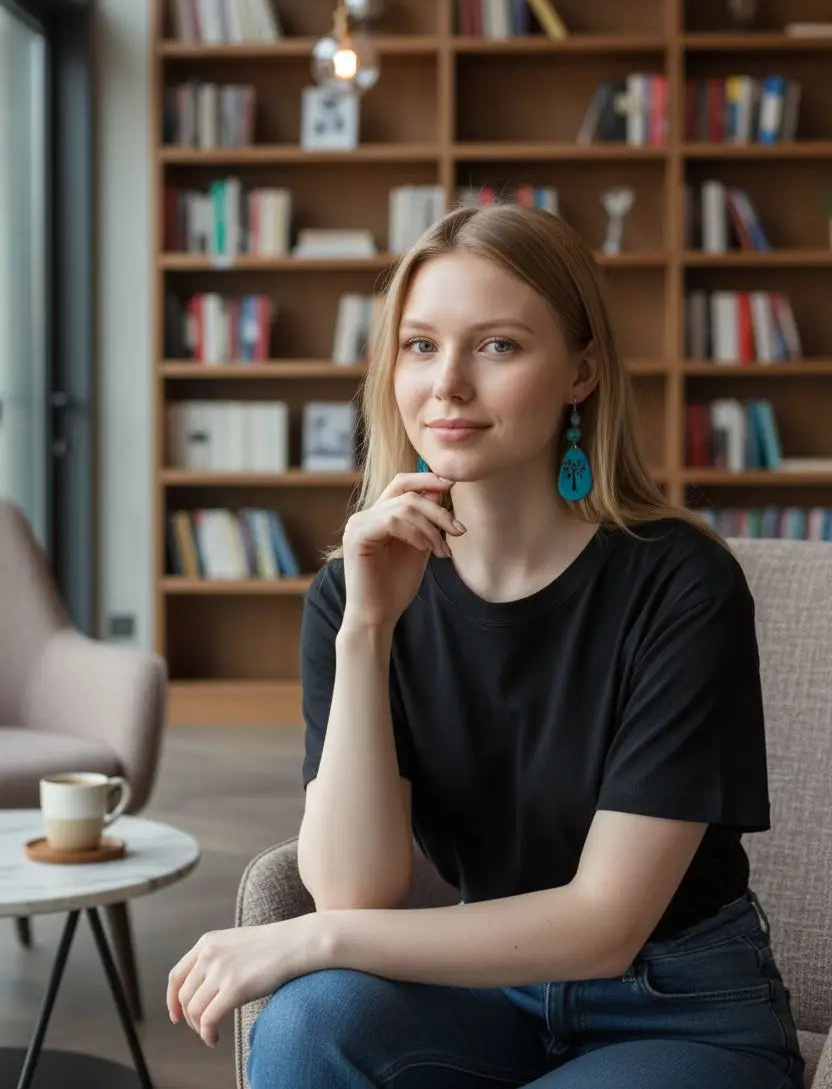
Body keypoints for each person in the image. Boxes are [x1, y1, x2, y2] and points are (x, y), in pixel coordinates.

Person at [167, 204, 804, 1089]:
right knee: (311, 1026)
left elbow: (604, 923)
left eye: (498, 346)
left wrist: (313, 936)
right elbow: (357, 887)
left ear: (580, 371)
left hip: (677, 1008)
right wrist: (366, 630)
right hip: (485, 995)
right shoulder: (355, 592)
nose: (448, 385)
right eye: (421, 345)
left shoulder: (682, 585)